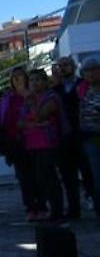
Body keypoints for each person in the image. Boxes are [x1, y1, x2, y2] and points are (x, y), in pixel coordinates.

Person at [20, 68, 66, 223]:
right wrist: (34, 122)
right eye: (31, 80)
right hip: (32, 144)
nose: (34, 83)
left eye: (38, 80)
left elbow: (41, 115)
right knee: (40, 179)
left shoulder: (51, 97)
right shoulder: (27, 100)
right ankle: (50, 209)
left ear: (45, 82)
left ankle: (57, 211)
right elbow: (20, 123)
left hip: (48, 142)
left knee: (49, 177)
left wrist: (33, 111)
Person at [0, 67, 38, 217]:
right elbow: (1, 119)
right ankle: (30, 207)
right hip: (16, 142)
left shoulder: (33, 93)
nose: (18, 80)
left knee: (38, 174)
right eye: (14, 78)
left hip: (36, 139)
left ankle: (42, 205)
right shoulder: (8, 98)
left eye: (20, 76)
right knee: (24, 176)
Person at [53, 55, 87, 218]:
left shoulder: (83, 85)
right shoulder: (55, 91)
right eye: (60, 66)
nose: (63, 68)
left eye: (66, 65)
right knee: (68, 176)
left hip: (84, 134)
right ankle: (74, 209)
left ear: (74, 67)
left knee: (89, 173)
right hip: (63, 138)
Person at [77, 57, 100, 216]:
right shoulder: (83, 91)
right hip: (90, 138)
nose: (91, 74)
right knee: (96, 176)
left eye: (94, 69)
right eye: (87, 71)